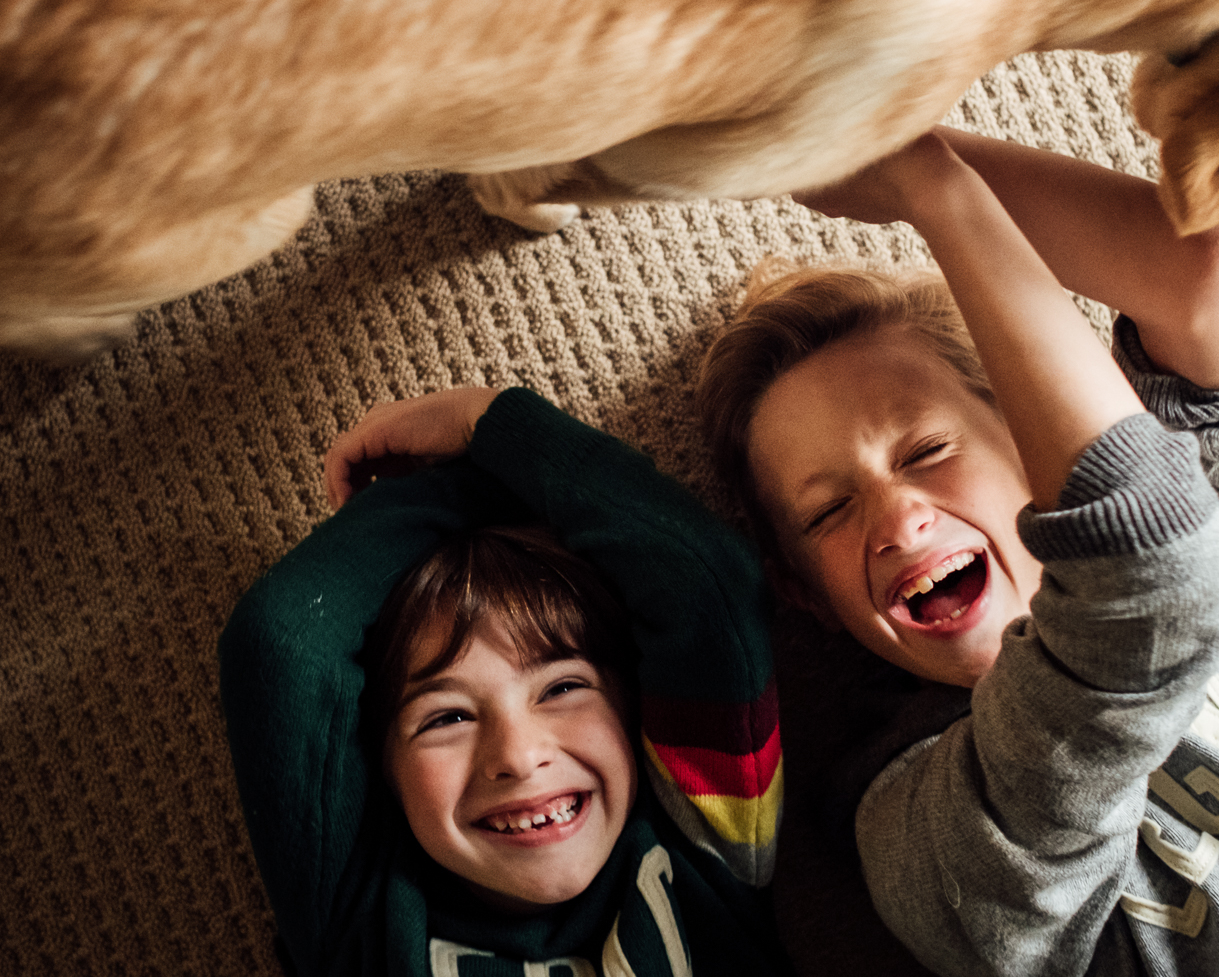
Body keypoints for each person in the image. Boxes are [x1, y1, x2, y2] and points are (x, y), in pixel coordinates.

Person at [696, 126, 1219, 976]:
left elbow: (1205, 287)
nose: (896, 522)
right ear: (808, 594)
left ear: (1032, 443)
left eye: (928, 452)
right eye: (829, 513)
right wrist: (935, 194)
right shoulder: (916, 822)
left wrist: (908, 146)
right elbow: (1148, 579)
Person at [219, 385, 790, 977]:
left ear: (629, 707)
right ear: (381, 769)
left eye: (561, 688)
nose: (518, 757)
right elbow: (279, 642)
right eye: (447, 718)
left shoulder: (703, 831)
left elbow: (707, 586)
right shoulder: (359, 913)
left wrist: (485, 424)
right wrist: (461, 492)